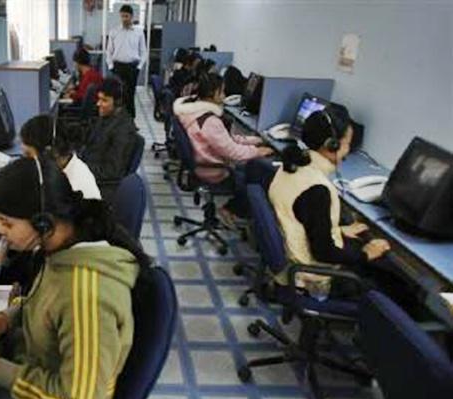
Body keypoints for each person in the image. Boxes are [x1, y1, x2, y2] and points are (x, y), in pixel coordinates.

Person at [0, 156, 151, 399]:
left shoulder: (87, 298)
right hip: (33, 365)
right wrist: (7, 317)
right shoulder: (64, 247)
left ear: (43, 223)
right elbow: (48, 301)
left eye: (7, 222)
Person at [268, 106, 409, 301]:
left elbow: (300, 219)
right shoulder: (317, 188)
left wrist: (338, 229)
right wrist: (366, 254)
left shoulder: (291, 166)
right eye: (347, 144)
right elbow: (324, 251)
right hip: (311, 276)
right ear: (331, 145)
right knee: (398, 286)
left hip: (292, 258)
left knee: (370, 254)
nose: (348, 151)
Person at [173, 73, 273, 221]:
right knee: (257, 177)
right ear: (213, 93)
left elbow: (228, 139)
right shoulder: (210, 121)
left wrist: (255, 140)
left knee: (251, 167)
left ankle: (232, 209)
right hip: (212, 170)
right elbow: (233, 152)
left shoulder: (193, 109)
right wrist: (258, 151)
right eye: (222, 91)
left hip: (201, 162)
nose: (225, 95)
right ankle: (230, 210)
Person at [80, 77, 141, 192]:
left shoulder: (123, 130)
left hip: (102, 187)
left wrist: (79, 170)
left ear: (118, 102)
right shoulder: (107, 118)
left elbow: (112, 171)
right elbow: (91, 142)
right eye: (98, 99)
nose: (98, 104)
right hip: (90, 171)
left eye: (104, 100)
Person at [20, 114, 101, 199]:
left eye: (28, 154)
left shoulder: (77, 187)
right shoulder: (56, 170)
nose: (24, 160)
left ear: (50, 153)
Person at [105, 4, 147, 118]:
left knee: (130, 95)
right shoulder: (114, 31)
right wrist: (110, 67)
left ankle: (130, 121)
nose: (124, 19)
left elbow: (144, 52)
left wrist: (139, 68)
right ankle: (117, 121)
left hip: (132, 68)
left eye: (126, 16)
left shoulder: (139, 32)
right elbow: (108, 51)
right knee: (118, 95)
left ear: (132, 16)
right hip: (117, 67)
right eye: (122, 16)